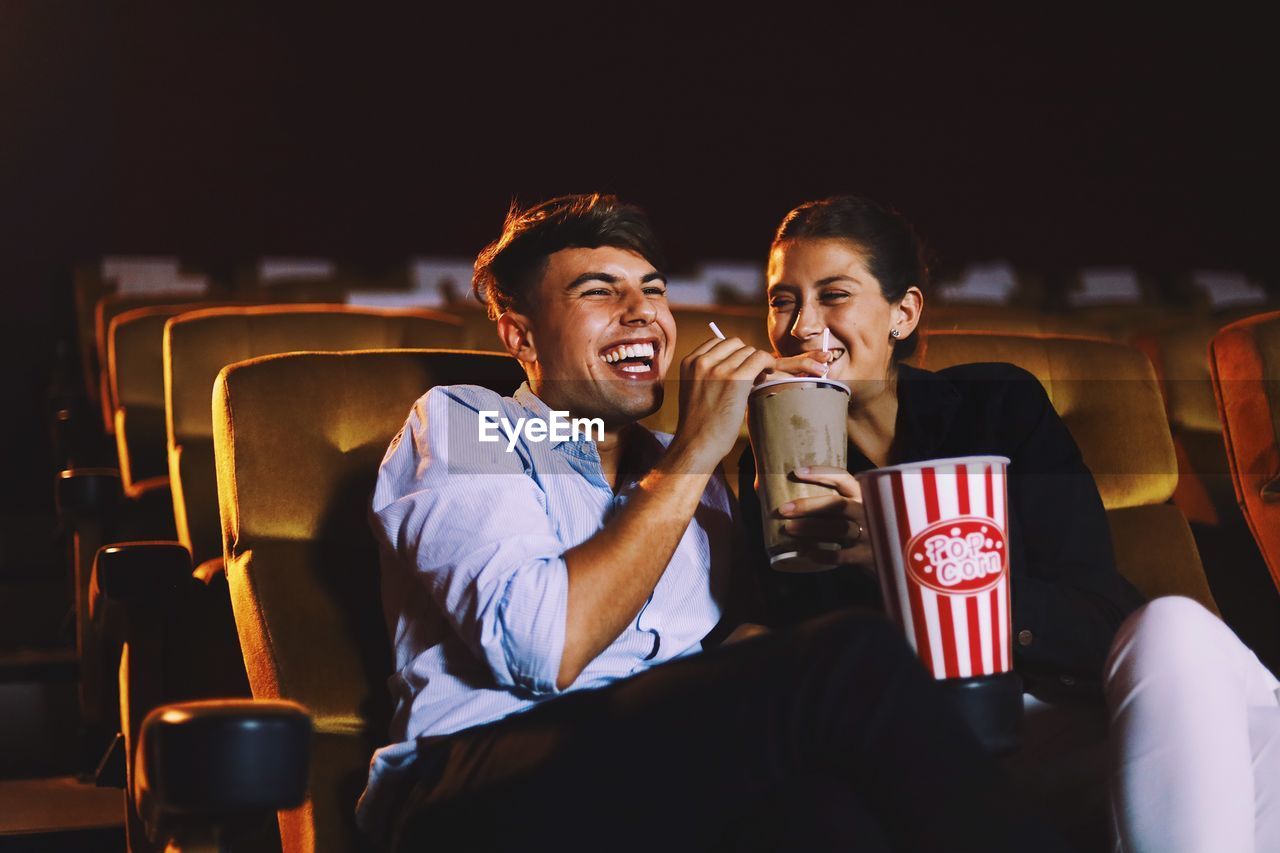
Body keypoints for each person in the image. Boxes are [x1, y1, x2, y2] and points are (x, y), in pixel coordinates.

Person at [356, 193, 1068, 851]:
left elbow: (739, 645)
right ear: (521, 335)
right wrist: (699, 450)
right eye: (600, 292)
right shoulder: (467, 424)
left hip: (648, 767)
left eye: (654, 291)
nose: (642, 313)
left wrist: (856, 558)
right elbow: (546, 647)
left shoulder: (686, 474)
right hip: (473, 779)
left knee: (830, 818)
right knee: (852, 655)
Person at [738, 194, 1280, 852]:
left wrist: (903, 556)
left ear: (903, 313)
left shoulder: (997, 406)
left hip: (1119, 702)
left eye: (834, 294)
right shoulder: (770, 470)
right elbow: (805, 670)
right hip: (964, 750)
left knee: (1174, 623)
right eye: (782, 299)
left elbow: (1096, 615)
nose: (801, 325)